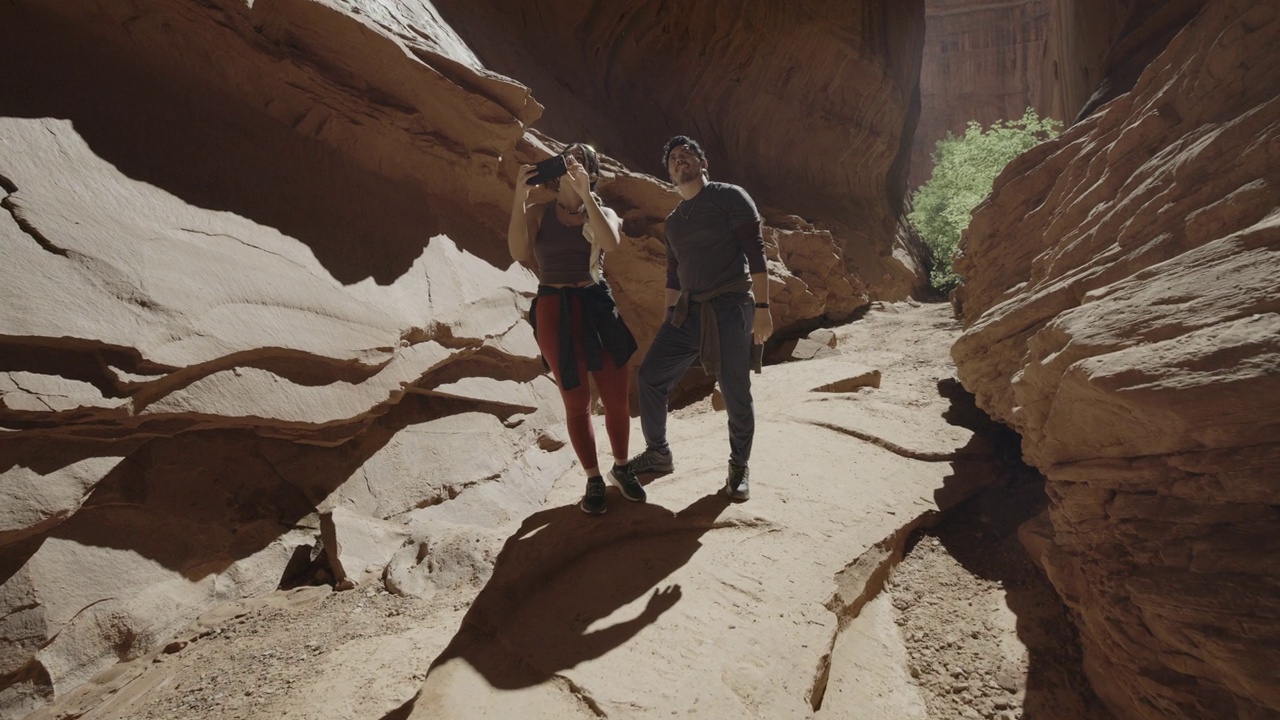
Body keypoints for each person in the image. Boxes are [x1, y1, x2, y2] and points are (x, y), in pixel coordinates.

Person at [628, 136, 772, 501]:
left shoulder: (730, 197)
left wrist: (763, 309)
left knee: (735, 391)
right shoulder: (674, 221)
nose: (680, 161)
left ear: (702, 162)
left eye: (686, 154)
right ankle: (658, 452)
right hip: (688, 312)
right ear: (670, 174)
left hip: (730, 306)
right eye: (673, 158)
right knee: (650, 376)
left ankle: (739, 468)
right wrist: (667, 319)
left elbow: (756, 255)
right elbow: (673, 276)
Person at [508, 143, 646, 515]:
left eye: (583, 159)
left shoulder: (604, 211)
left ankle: (621, 467)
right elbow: (518, 250)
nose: (573, 162)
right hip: (554, 307)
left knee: (616, 394)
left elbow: (612, 243)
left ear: (594, 171)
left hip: (596, 303)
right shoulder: (538, 212)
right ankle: (593, 479)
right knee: (576, 399)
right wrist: (519, 197)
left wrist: (587, 194)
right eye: (568, 156)